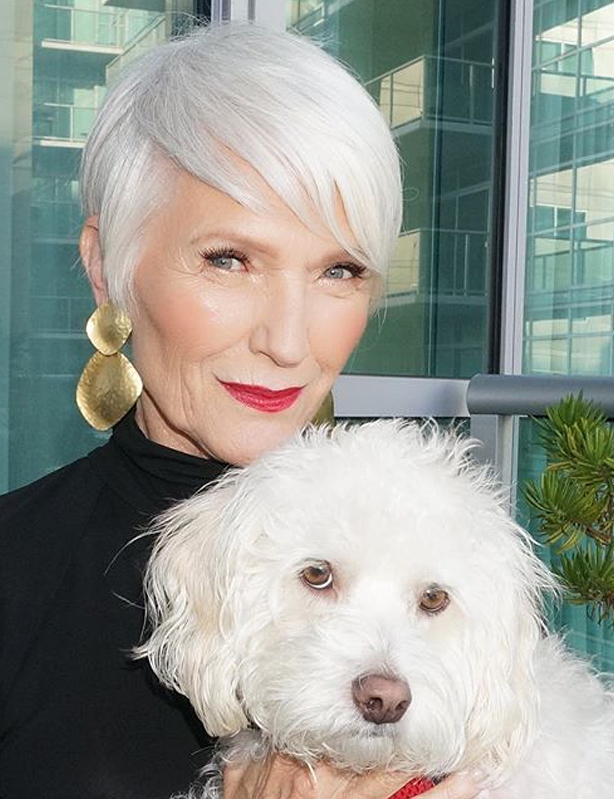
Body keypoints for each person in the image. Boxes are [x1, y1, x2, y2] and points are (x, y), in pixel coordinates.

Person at [0, 22, 480, 799]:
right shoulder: (17, 576)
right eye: (231, 258)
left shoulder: (448, 574)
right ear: (105, 267)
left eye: (339, 269)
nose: (289, 341)